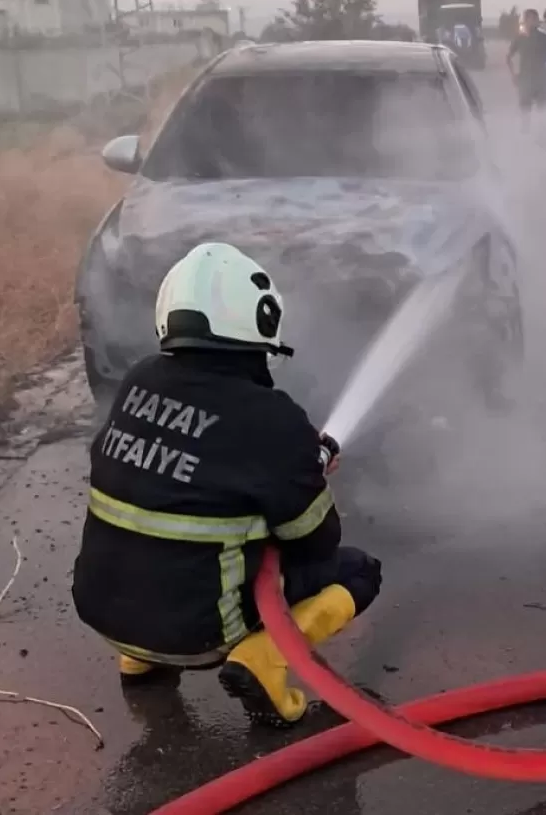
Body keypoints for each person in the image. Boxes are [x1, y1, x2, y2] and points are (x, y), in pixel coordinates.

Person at [71, 242, 383, 727]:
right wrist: (303, 472)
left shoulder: (140, 379)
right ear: (258, 325)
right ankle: (263, 659)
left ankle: (140, 661)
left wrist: (289, 463)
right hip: (199, 633)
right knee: (358, 572)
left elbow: (180, 473)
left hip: (104, 613)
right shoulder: (270, 417)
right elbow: (316, 543)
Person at [507, 8, 546, 128]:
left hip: (541, 79)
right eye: (532, 19)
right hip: (525, 79)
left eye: (536, 19)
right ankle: (525, 136)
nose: (535, 21)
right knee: (525, 111)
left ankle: (542, 136)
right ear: (525, 20)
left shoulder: (544, 38)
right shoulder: (520, 38)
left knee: (542, 111)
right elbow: (508, 58)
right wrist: (513, 75)